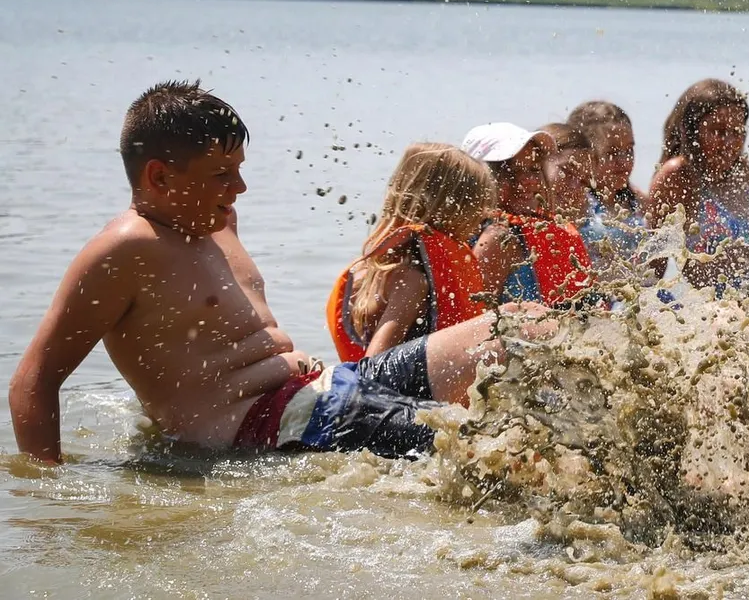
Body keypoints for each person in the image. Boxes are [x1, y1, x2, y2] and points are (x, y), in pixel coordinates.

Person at [8, 81, 552, 464]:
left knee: (523, 325)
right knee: (493, 446)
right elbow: (35, 379)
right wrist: (49, 496)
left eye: (239, 171)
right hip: (267, 429)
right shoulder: (122, 252)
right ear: (159, 177)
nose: (238, 189)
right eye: (221, 175)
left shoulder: (221, 222)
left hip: (322, 391)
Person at [326, 143, 495, 362]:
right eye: (476, 207)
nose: (483, 215)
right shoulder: (411, 280)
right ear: (447, 209)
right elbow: (371, 368)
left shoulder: (369, 266)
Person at [648, 79, 749, 293]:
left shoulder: (742, 170)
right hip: (717, 307)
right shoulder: (678, 176)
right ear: (692, 132)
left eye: (737, 132)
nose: (729, 143)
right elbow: (654, 265)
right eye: (718, 131)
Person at [465, 122, 594, 307]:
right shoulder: (497, 238)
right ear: (480, 179)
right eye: (511, 171)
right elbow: (474, 322)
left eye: (534, 169)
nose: (529, 180)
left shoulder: (546, 228)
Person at [566, 101, 648, 270]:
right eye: (611, 152)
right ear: (584, 156)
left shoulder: (639, 201)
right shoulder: (576, 204)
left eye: (629, 150)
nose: (624, 161)